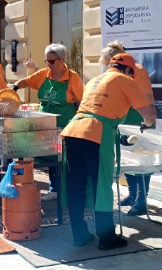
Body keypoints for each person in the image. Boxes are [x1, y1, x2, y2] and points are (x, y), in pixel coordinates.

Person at [61, 53, 156, 250]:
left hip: (72, 131)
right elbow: (149, 114)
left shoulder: (95, 79)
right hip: (96, 133)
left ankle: (79, 235)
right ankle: (106, 238)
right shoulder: (124, 79)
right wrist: (147, 124)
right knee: (102, 186)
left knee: (76, 186)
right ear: (129, 70)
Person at [12, 43, 84, 201]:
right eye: (47, 61)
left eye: (52, 61)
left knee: (64, 160)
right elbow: (26, 81)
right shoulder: (44, 74)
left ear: (62, 59)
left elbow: (81, 102)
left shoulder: (72, 78)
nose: (49, 65)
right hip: (44, 125)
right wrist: (14, 87)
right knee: (50, 157)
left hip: (65, 124)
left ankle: (68, 193)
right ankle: (54, 189)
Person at [100, 40, 155, 216]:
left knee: (141, 160)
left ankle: (141, 199)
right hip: (124, 118)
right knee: (127, 159)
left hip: (139, 118)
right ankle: (132, 195)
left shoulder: (138, 71)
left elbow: (145, 99)